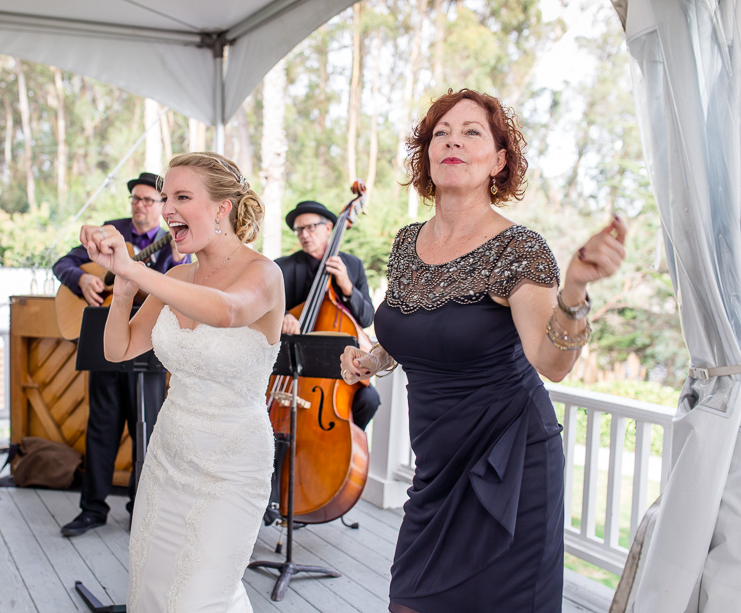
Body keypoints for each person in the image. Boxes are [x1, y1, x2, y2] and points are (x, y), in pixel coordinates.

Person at [340, 89, 628, 612]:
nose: (453, 141)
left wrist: (575, 291)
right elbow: (413, 332)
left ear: (498, 160)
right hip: (436, 468)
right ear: (427, 154)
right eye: (441, 133)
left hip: (510, 464)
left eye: (472, 132)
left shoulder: (518, 247)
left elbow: (552, 362)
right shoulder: (407, 243)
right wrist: (373, 359)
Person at [81, 152, 285, 611]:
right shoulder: (175, 275)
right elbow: (119, 349)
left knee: (198, 599)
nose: (167, 208)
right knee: (152, 590)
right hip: (169, 457)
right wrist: (125, 288)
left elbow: (227, 310)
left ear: (222, 208)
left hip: (232, 467)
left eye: (182, 197)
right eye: (166, 197)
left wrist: (136, 269)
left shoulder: (263, 273)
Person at [53, 171, 189, 537]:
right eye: (136, 199)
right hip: (104, 343)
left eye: (149, 200)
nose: (140, 206)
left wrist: (171, 263)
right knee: (101, 426)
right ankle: (92, 509)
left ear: (163, 206)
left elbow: (178, 289)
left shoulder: (173, 240)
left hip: (149, 346)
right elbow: (62, 264)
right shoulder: (111, 231)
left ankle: (140, 508)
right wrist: (82, 279)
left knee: (146, 429)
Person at [275, 200, 379, 430]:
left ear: (329, 228)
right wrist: (282, 315)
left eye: (311, 227)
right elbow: (262, 304)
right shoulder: (282, 267)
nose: (304, 234)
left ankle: (340, 441)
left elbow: (367, 318)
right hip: (291, 365)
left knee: (370, 400)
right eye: (299, 229)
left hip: (337, 366)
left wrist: (347, 287)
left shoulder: (352, 265)